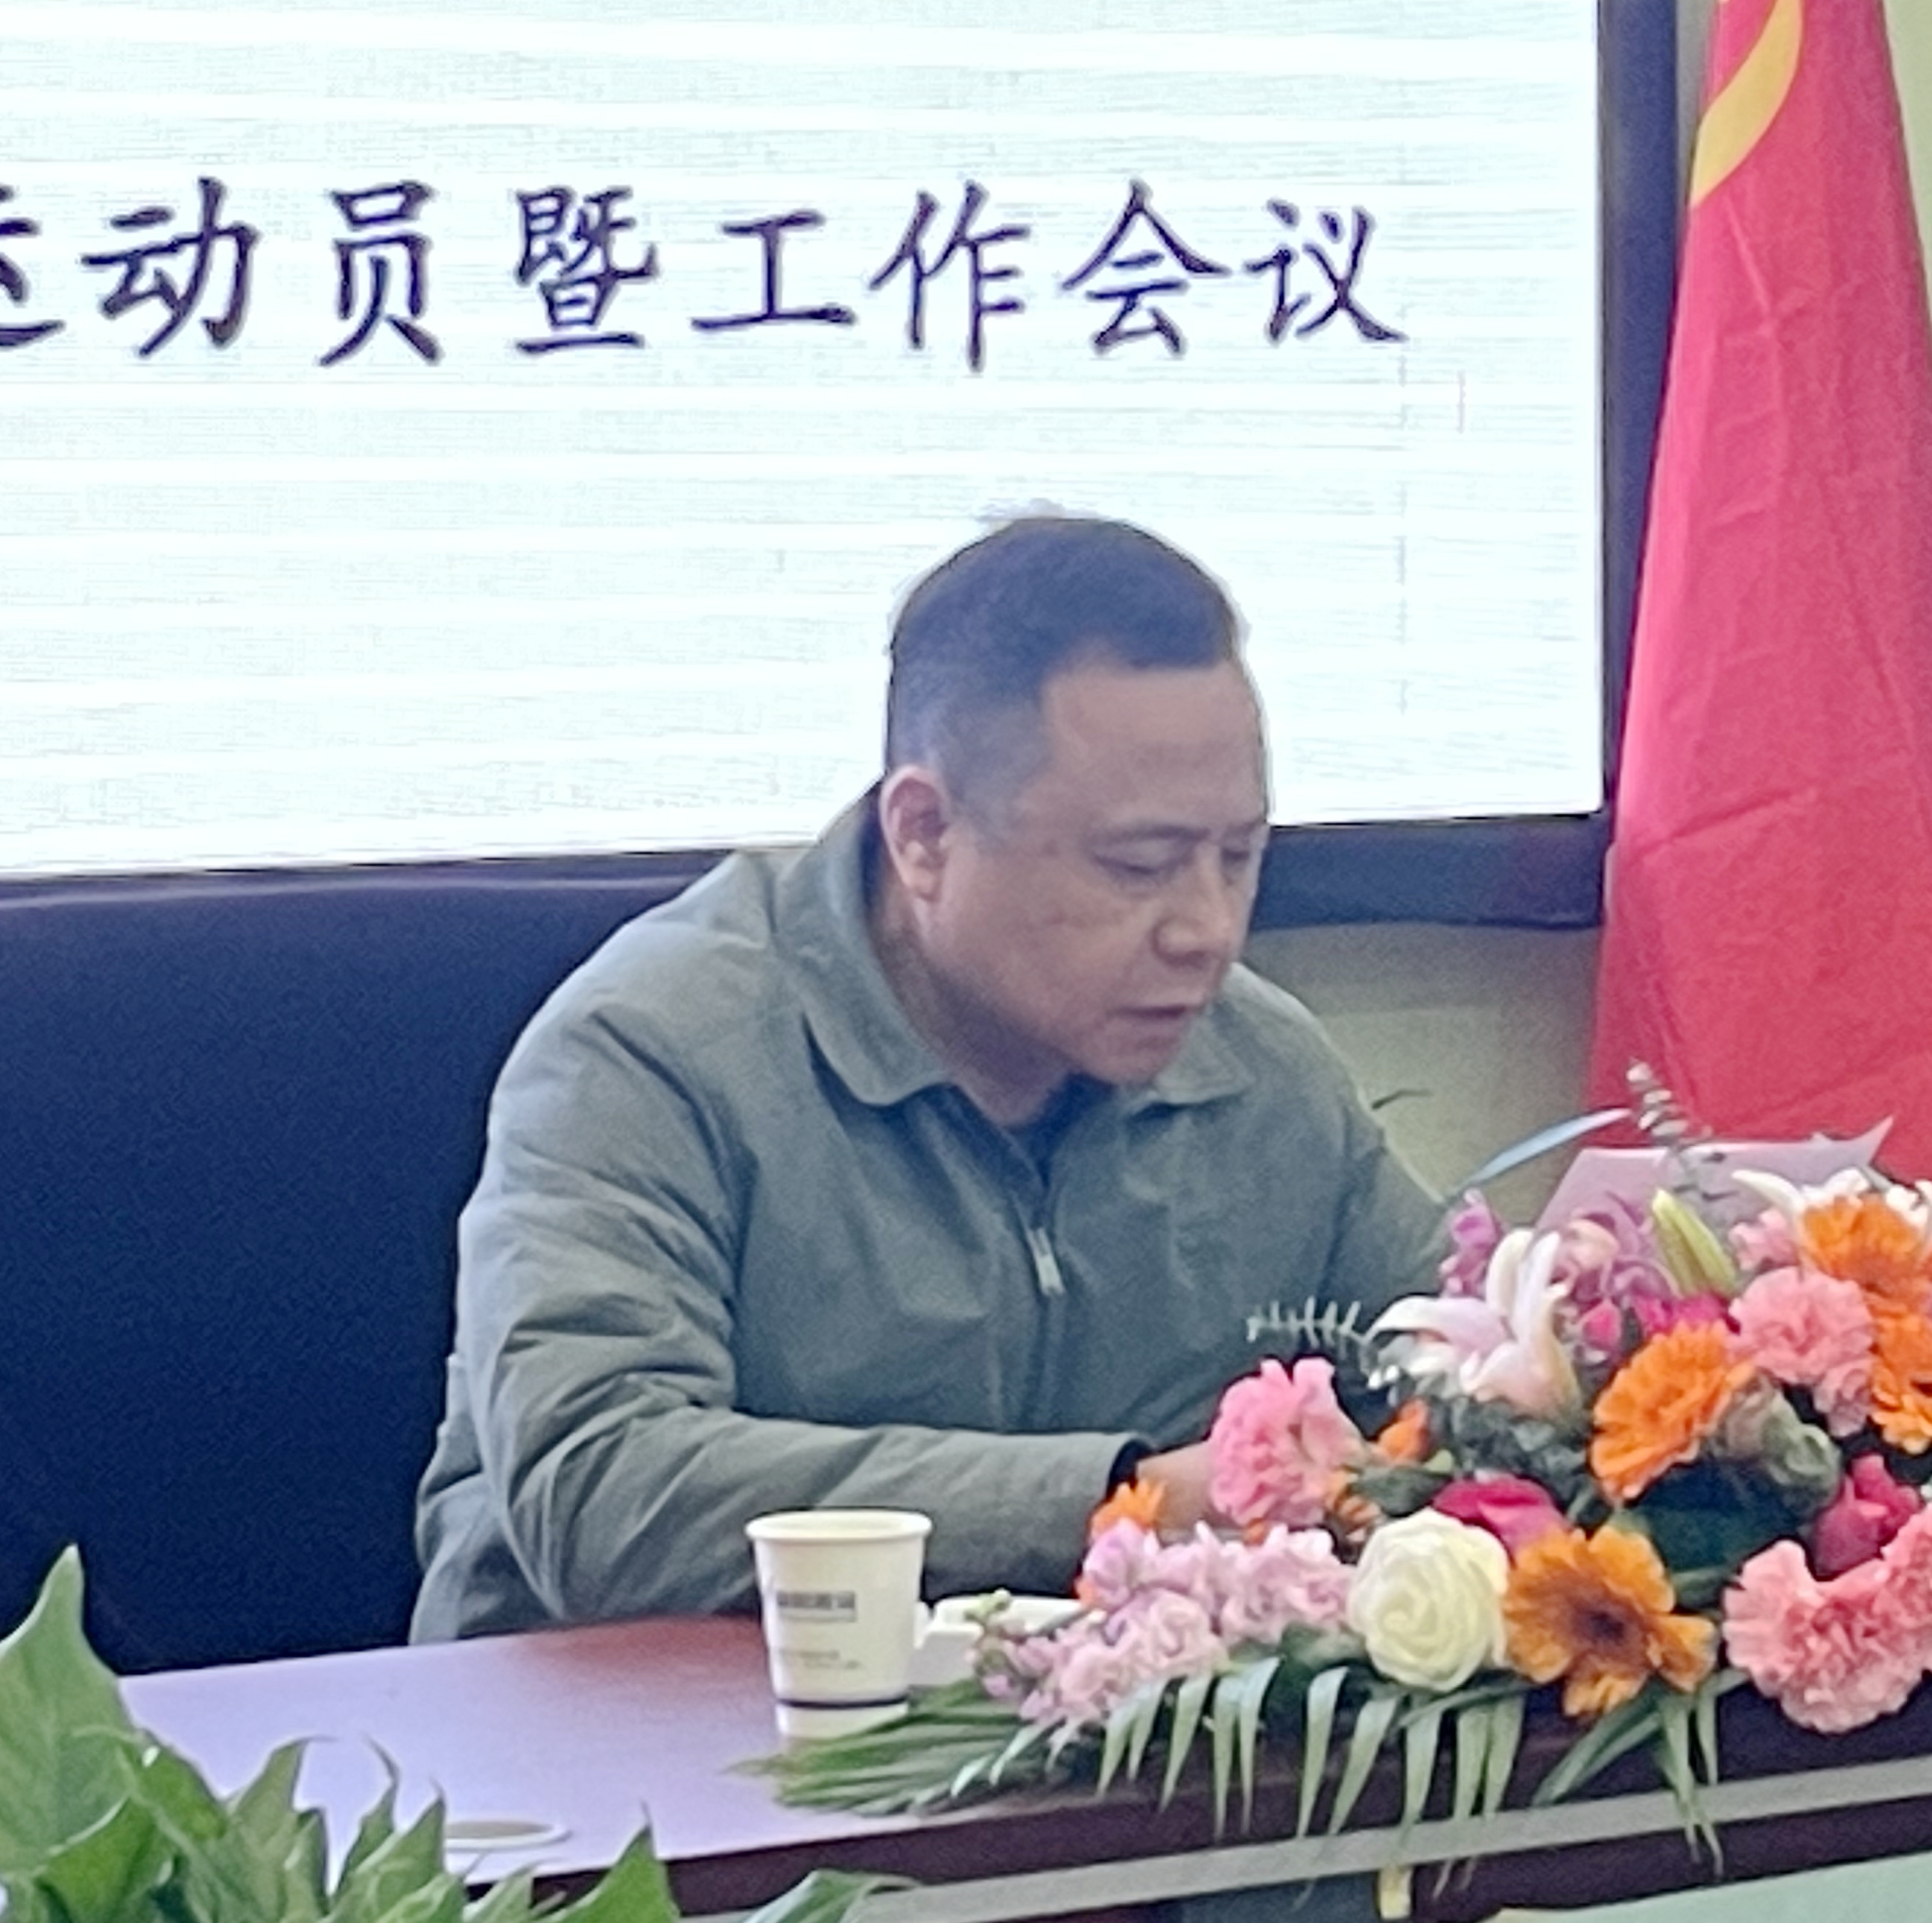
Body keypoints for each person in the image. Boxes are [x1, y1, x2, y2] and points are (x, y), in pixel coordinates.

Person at [411, 514, 1445, 1637]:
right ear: (924, 833)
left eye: (1238, 856)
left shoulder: (1263, 1072)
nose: (1206, 929)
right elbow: (601, 1491)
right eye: (1138, 865)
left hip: (1082, 1732)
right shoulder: (650, 1052)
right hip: (625, 1733)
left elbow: (1462, 1391)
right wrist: (1124, 1502)